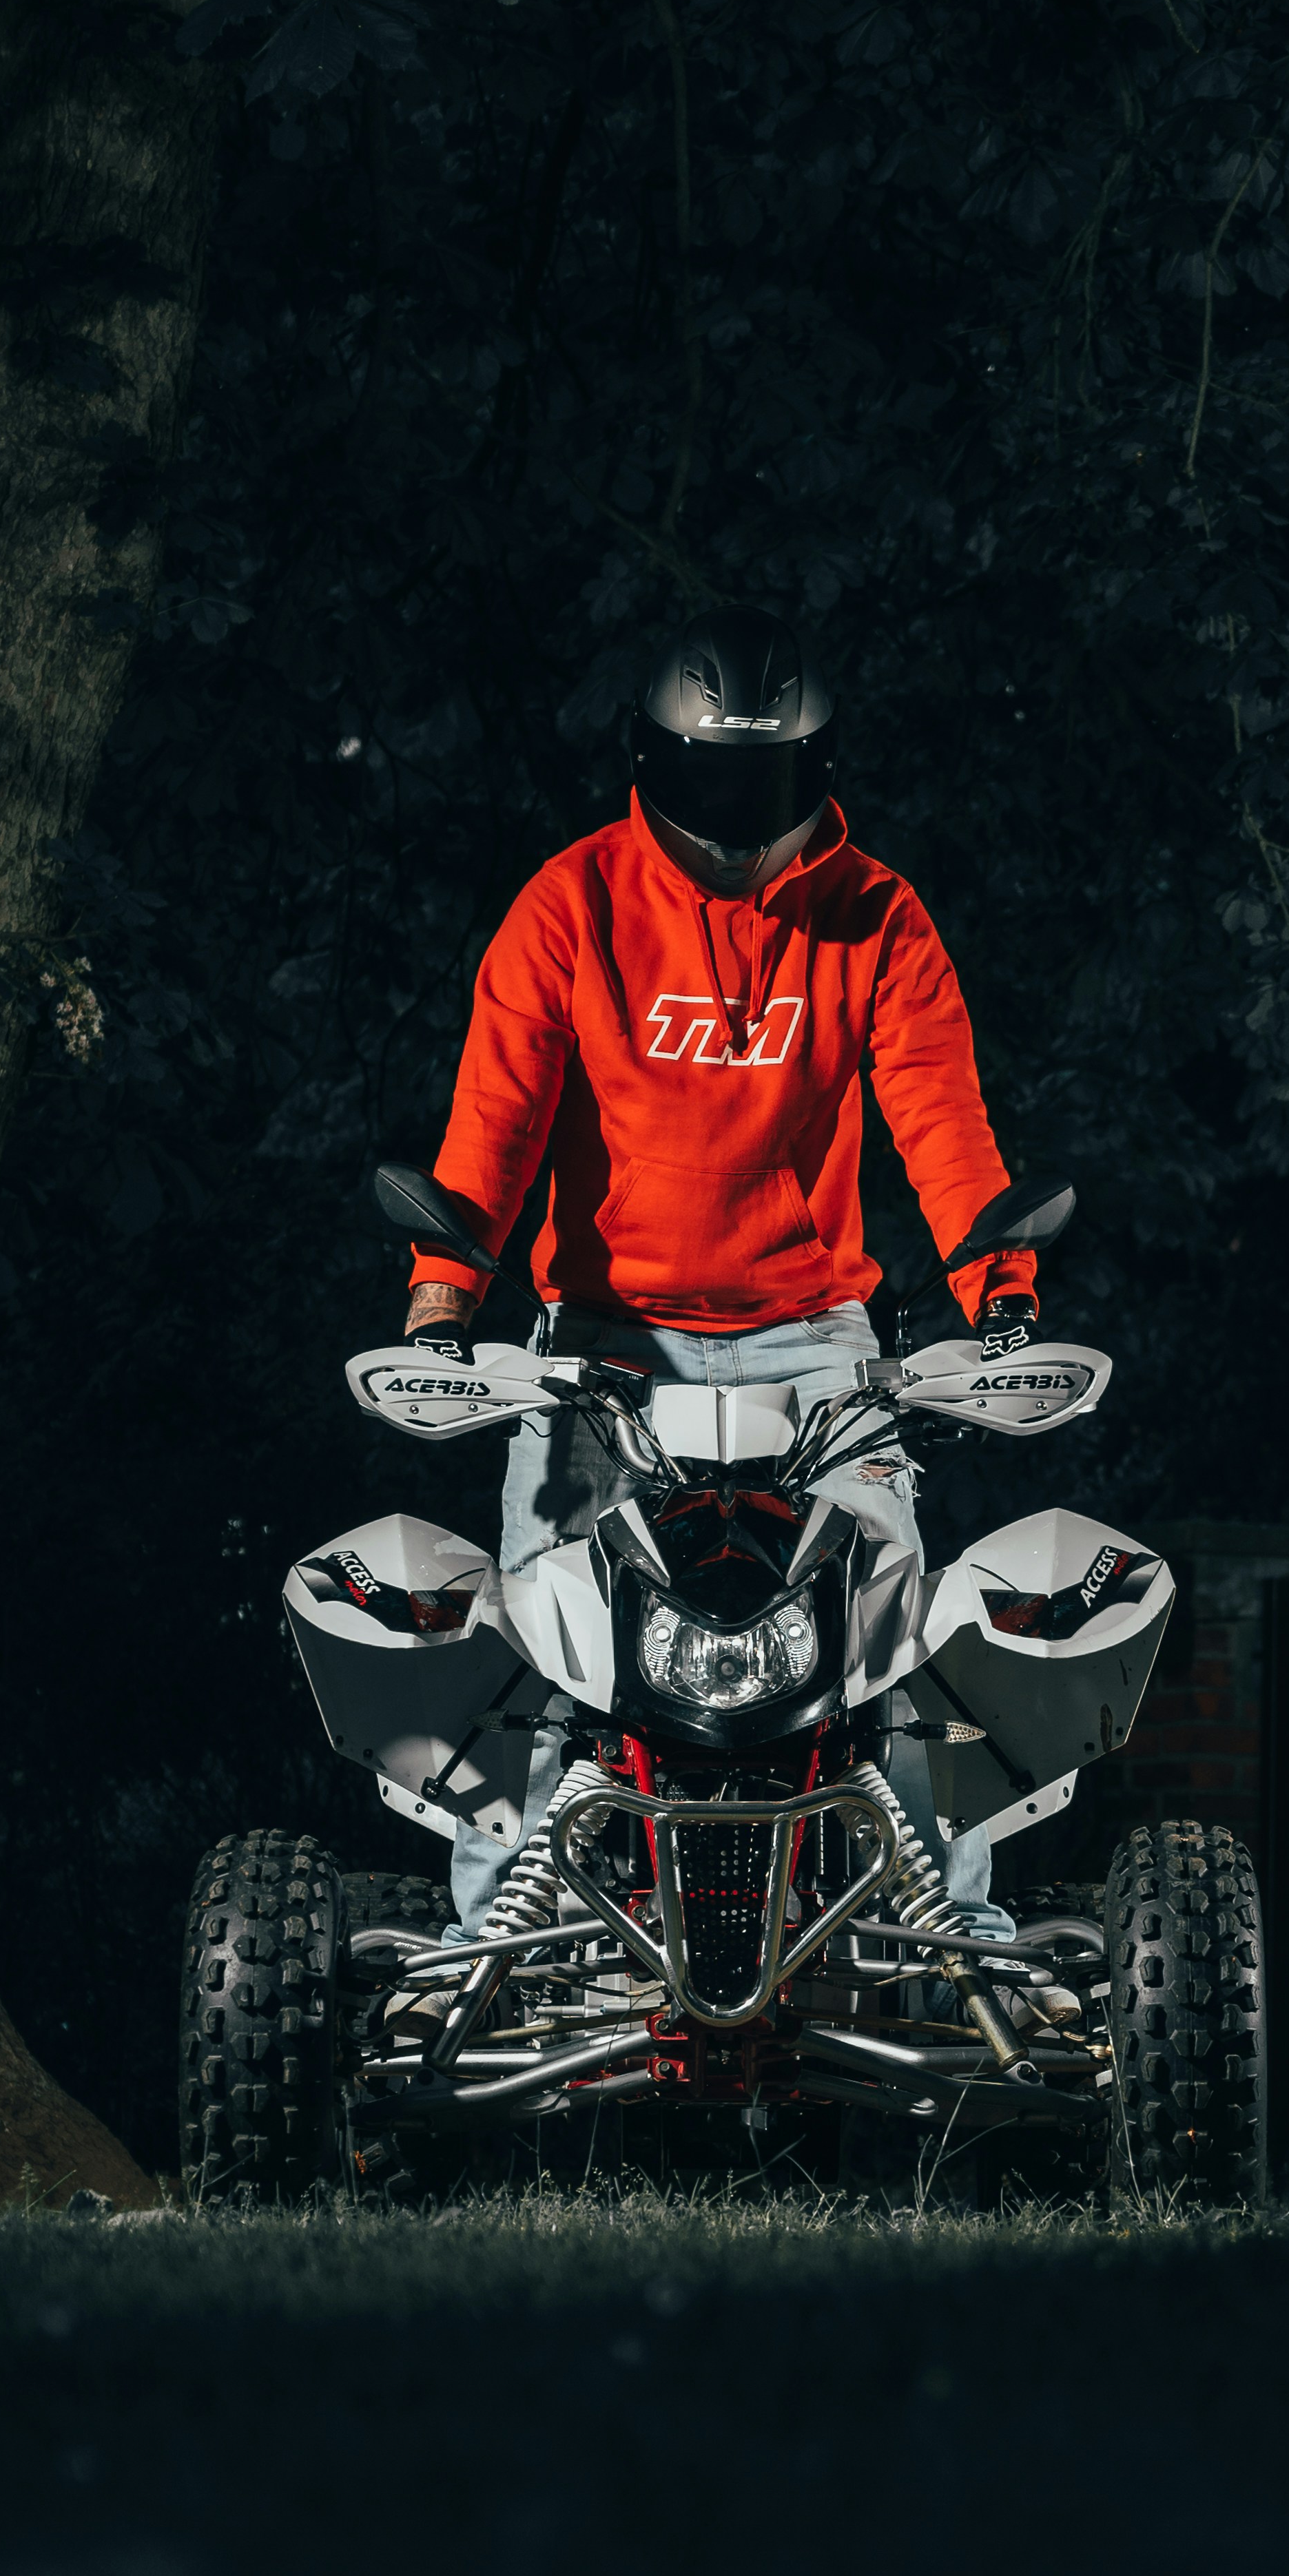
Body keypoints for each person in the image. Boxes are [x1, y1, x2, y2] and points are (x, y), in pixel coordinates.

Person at [396, 603, 1042, 1946]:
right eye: (710, 779)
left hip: (817, 1345)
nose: (739, 818)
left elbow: (943, 1120)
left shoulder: (875, 915)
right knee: (535, 1638)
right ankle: (489, 1953)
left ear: (816, 772)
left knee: (898, 1641)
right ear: (652, 763)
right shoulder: (570, 903)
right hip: (600, 1345)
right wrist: (442, 1299)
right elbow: (493, 1125)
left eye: (768, 781)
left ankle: (949, 1937)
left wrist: (1004, 1298)